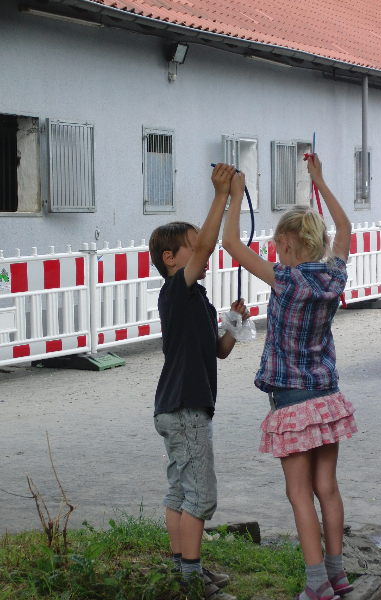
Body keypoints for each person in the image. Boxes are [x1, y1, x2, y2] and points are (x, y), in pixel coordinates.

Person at [222, 155, 357, 600]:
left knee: (299, 494)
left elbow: (230, 242)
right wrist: (320, 180)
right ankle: (337, 576)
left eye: (278, 244)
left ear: (284, 242)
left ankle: (316, 584)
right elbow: (345, 227)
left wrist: (234, 196)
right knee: (327, 488)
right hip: (327, 395)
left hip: (293, 403)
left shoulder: (285, 280)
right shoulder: (334, 275)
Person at [149, 163, 249, 600]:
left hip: (177, 408)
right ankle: (192, 581)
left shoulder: (198, 300)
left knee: (179, 492)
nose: (203, 253)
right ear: (171, 259)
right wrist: (222, 195)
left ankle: (182, 571)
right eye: (193, 247)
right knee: (200, 496)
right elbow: (209, 244)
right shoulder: (176, 290)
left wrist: (233, 325)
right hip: (186, 409)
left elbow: (219, 351)